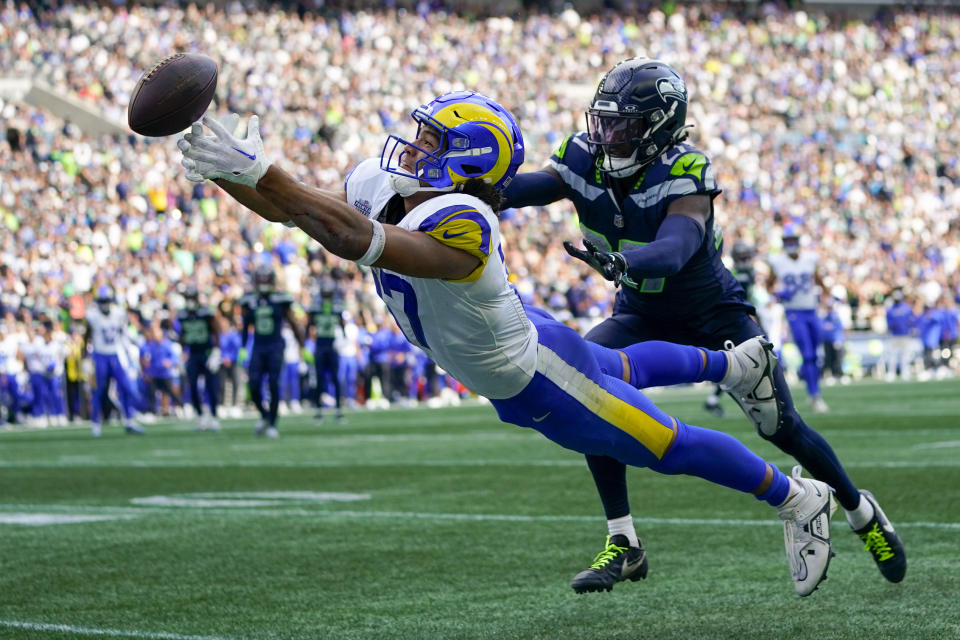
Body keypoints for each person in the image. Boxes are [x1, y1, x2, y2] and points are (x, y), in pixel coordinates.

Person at [181, 91, 840, 596]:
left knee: (665, 446)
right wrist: (235, 177)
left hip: (536, 372)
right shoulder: (392, 186)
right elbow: (296, 208)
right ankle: (732, 363)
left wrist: (266, 169)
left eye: (432, 140)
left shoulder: (464, 219)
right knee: (617, 364)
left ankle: (795, 497)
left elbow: (355, 240)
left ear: (467, 158)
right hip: (521, 350)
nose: (412, 147)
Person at [500, 59, 905, 590]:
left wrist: (628, 264)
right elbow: (524, 189)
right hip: (640, 314)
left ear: (661, 126)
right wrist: (463, 193)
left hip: (714, 315)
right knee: (586, 389)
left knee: (783, 429)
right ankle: (623, 540)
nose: (609, 135)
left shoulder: (686, 168)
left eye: (624, 125)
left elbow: (675, 247)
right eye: (605, 121)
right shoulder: (582, 156)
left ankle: (858, 512)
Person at [767, 225, 829, 412]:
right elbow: (769, 285)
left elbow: (818, 279)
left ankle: (810, 383)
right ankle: (814, 394)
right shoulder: (777, 262)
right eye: (787, 242)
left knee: (816, 353)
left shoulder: (810, 259)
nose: (791, 244)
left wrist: (827, 295)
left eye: (793, 241)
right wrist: (777, 294)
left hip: (811, 310)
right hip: (794, 312)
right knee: (808, 354)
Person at [240, 263, 303, 438]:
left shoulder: (281, 299)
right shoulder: (249, 300)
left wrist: (302, 345)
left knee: (274, 384)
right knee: (253, 383)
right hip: (258, 346)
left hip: (275, 346)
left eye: (265, 279)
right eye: (260, 279)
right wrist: (243, 347)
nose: (262, 283)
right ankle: (265, 416)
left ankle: (273, 423)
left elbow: (293, 323)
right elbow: (246, 326)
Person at [704, 240, 758, 417]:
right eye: (741, 256)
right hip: (736, 320)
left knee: (741, 362)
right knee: (743, 361)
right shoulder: (740, 273)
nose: (744, 259)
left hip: (737, 318)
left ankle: (715, 398)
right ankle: (719, 398)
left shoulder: (743, 272)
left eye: (745, 256)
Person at [84, 286, 144, 437]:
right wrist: (86, 356)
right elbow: (87, 336)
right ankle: (95, 423)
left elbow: (123, 333)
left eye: (106, 301)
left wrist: (128, 352)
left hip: (116, 355)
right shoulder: (92, 315)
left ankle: (129, 420)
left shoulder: (119, 313)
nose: (104, 304)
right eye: (102, 301)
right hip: (100, 355)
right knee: (98, 391)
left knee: (126, 387)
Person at [177, 285, 222, 430]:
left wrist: (216, 351)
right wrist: (181, 353)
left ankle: (214, 416)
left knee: (211, 386)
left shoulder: (205, 312)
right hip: (193, 354)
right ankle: (201, 416)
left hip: (207, 353)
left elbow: (216, 330)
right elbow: (183, 335)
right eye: (188, 298)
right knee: (193, 386)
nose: (190, 301)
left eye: (192, 298)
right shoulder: (182, 314)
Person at [308, 277, 346, 422]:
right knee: (319, 378)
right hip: (320, 345)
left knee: (336, 378)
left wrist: (343, 340)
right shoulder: (316, 307)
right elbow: (309, 326)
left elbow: (342, 326)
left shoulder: (336, 307)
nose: (327, 296)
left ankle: (338, 409)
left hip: (332, 346)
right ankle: (318, 410)